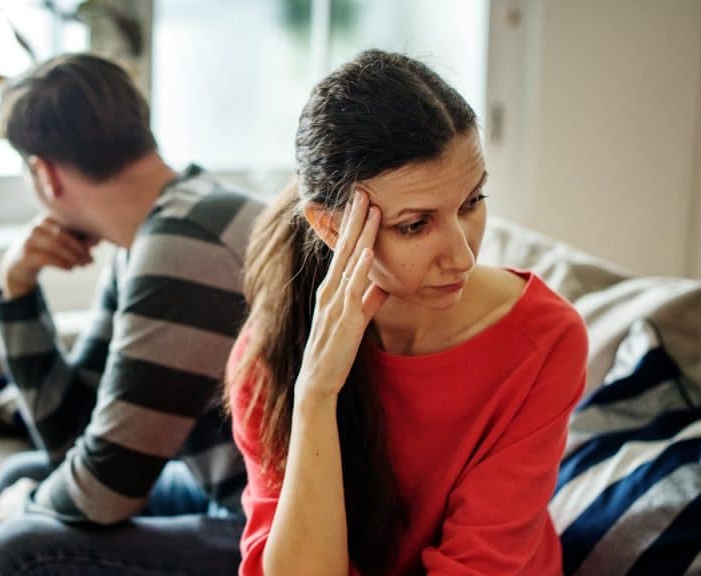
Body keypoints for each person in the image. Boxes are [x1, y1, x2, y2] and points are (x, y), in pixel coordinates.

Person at [225, 49, 588, 575]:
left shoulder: (543, 340)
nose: (462, 255)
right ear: (331, 228)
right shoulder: (270, 355)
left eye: (471, 202)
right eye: (416, 225)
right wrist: (316, 396)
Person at [0, 53, 264, 575]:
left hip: (282, 526)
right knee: (23, 471)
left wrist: (28, 506)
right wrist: (16, 292)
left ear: (46, 174)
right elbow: (74, 435)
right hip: (238, 499)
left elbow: (106, 490)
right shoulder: (169, 222)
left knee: (15, 552)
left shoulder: (182, 247)